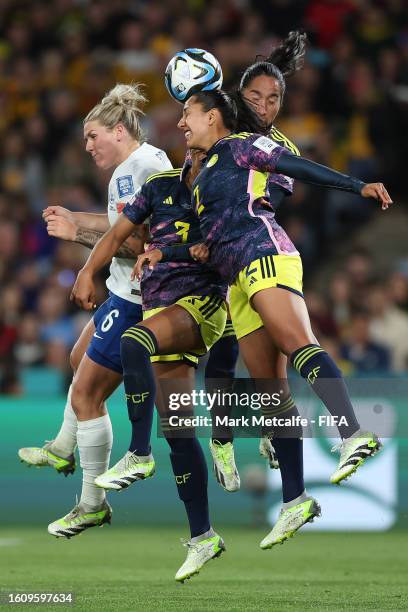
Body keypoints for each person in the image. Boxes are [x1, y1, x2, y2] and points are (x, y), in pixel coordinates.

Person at [176, 89, 391, 548]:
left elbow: (299, 167)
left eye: (187, 114)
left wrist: (358, 186)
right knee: (273, 396)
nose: (181, 124)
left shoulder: (240, 146)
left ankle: (352, 432)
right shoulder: (197, 175)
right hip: (236, 282)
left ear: (213, 117)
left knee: (298, 343)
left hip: (266, 254)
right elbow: (209, 233)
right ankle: (295, 499)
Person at [18, 83, 172, 538]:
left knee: (86, 394)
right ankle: (64, 447)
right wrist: (78, 221)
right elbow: (121, 227)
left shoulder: (132, 172)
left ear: (119, 131)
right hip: (129, 295)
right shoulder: (148, 162)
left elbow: (138, 243)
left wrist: (81, 241)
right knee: (75, 361)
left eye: (92, 136)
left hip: (137, 301)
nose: (87, 147)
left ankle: (91, 504)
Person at [70, 150, 227, 582]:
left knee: (133, 340)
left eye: (191, 120)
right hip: (161, 310)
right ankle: (203, 536)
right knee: (178, 432)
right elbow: (117, 233)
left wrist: (168, 251)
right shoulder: (158, 186)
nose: (185, 131)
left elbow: (220, 248)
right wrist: (88, 271)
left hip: (200, 304)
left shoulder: (219, 192)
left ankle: (139, 453)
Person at [206, 31, 308, 494]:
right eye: (254, 97)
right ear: (239, 97)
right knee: (223, 352)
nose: (264, 107)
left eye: (273, 99)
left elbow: (265, 201)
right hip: (209, 254)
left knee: (269, 358)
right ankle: (222, 440)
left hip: (252, 249)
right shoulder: (219, 130)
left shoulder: (283, 149)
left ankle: (271, 426)